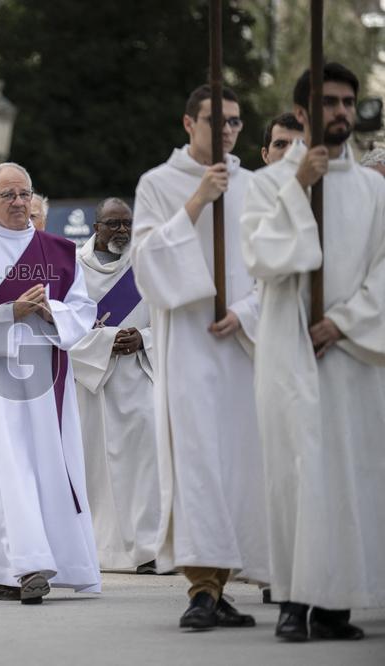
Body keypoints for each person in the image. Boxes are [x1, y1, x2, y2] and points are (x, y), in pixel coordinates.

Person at [241, 62, 385, 643]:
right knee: (295, 474)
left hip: (351, 351)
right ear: (302, 113)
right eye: (329, 102)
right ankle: (293, 601)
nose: (342, 112)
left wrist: (344, 322)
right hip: (288, 350)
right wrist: (299, 184)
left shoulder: (376, 190)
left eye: (348, 101)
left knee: (350, 473)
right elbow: (262, 257)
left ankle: (337, 603)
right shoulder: (269, 184)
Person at [131, 84, 267, 629]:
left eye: (235, 121)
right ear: (189, 124)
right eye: (217, 121)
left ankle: (222, 583)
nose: (229, 130)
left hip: (237, 344)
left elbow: (271, 268)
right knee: (195, 459)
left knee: (236, 461)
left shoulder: (255, 187)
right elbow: (146, 265)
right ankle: (201, 586)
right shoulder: (158, 185)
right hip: (187, 344)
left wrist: (248, 312)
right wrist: (196, 203)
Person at [0, 163, 100, 604]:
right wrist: (8, 312)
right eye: (8, 195)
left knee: (50, 465)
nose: (18, 203)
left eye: (24, 194)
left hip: (49, 377)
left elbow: (83, 309)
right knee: (7, 471)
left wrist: (54, 313)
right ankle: (30, 565)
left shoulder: (60, 251)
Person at [69, 198, 162, 574]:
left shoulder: (147, 264)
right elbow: (63, 327)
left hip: (139, 375)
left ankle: (147, 548)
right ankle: (100, 547)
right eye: (113, 224)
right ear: (96, 228)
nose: (122, 231)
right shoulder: (73, 267)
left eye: (127, 224)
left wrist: (144, 339)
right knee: (95, 467)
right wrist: (106, 341)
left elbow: (168, 320)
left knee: (146, 463)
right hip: (93, 383)